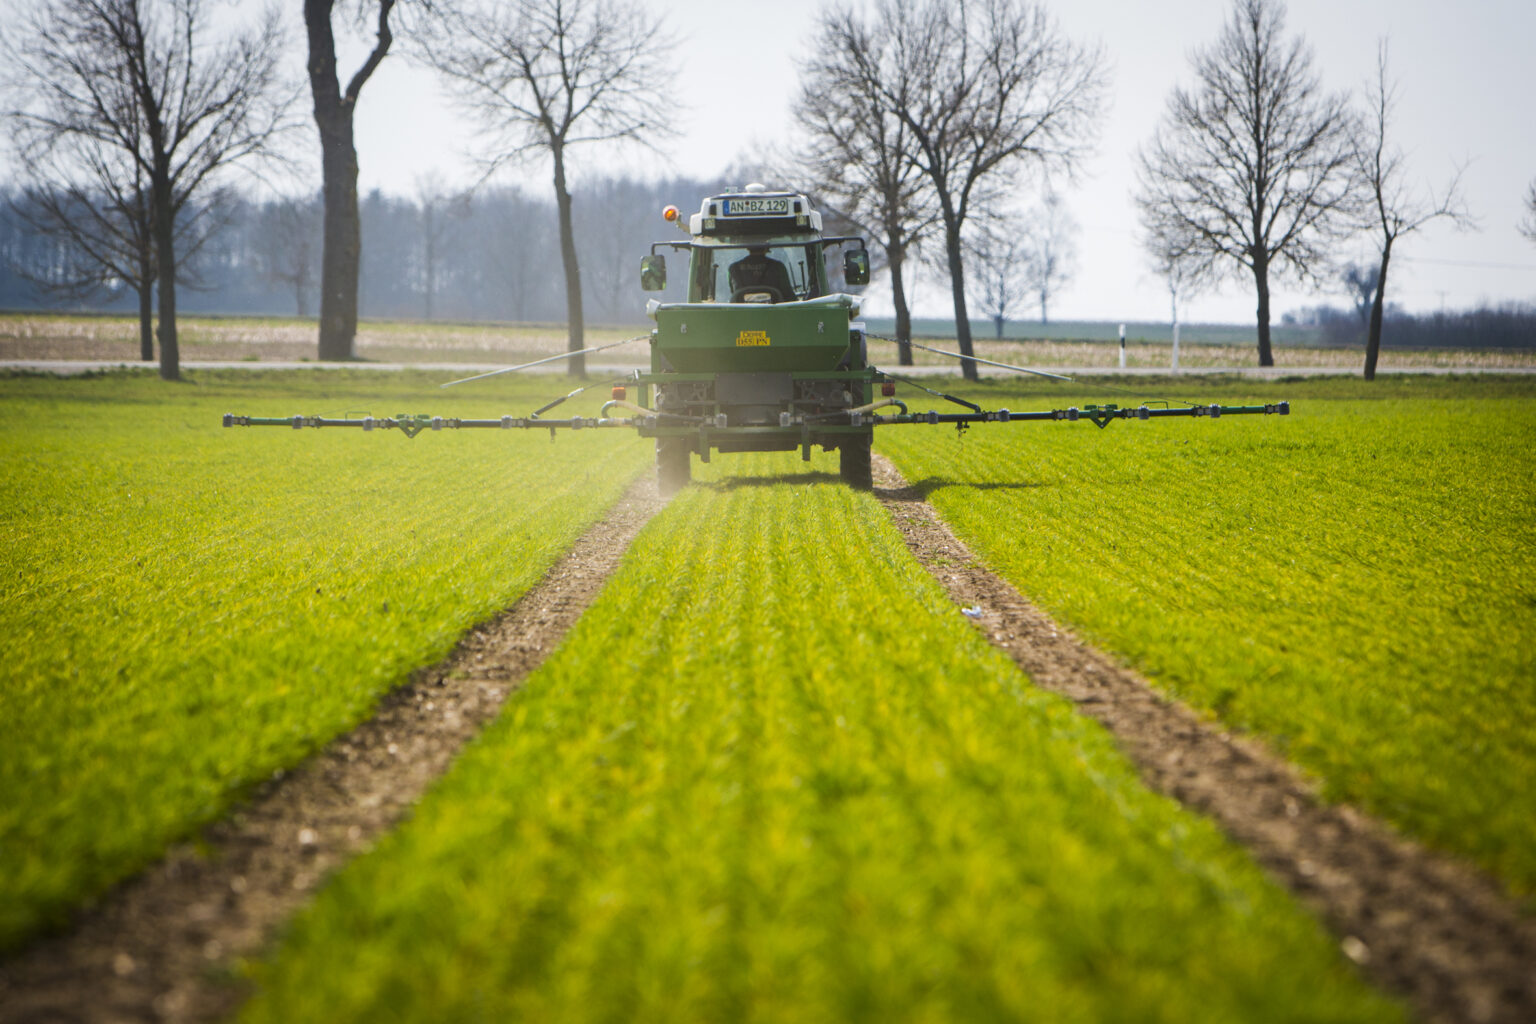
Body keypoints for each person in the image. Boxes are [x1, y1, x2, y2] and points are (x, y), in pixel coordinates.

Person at [727, 246, 795, 302]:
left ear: (747, 247)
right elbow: (788, 294)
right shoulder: (778, 266)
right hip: (776, 315)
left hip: (741, 315)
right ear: (767, 247)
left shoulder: (734, 268)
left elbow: (733, 292)